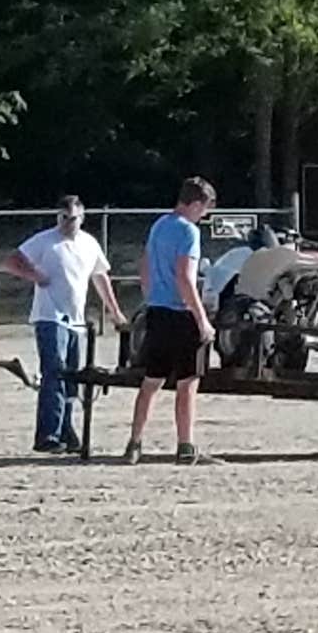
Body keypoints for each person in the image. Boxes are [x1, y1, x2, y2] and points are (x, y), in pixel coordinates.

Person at [4, 195, 125, 453]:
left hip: (76, 322)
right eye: (64, 217)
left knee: (72, 376)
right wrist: (34, 275)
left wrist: (114, 311)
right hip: (50, 316)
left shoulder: (89, 244)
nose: (69, 223)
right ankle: (48, 434)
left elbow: (100, 277)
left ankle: (66, 429)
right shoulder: (46, 241)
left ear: (82, 218)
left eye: (73, 218)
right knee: (54, 372)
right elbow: (13, 261)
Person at [125, 176, 219, 465]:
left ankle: (134, 443)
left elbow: (145, 265)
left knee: (151, 381)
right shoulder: (188, 232)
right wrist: (202, 319)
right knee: (187, 383)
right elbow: (186, 277)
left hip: (157, 311)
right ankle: (185, 445)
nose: (204, 215)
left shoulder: (159, 225)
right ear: (195, 204)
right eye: (204, 209)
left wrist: (150, 295)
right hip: (180, 314)